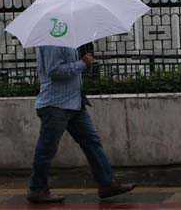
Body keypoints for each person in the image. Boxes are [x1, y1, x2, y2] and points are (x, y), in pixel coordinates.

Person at [26, 45, 135, 204]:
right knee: (47, 148)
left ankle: (107, 184)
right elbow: (54, 71)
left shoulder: (68, 41)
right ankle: (37, 189)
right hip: (56, 106)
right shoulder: (53, 40)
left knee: (92, 142)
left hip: (74, 103)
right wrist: (82, 64)